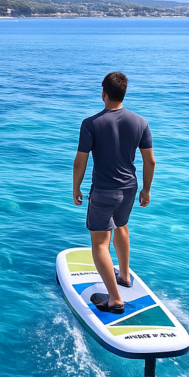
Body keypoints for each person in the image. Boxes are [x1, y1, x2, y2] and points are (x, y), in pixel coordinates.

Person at [72, 72, 155, 315]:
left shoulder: (91, 123)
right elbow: (149, 161)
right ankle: (125, 275)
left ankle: (115, 300)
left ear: (104, 94)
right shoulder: (141, 122)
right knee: (121, 226)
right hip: (129, 188)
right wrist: (146, 189)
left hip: (103, 191)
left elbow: (80, 161)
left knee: (99, 244)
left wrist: (75, 187)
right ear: (124, 93)